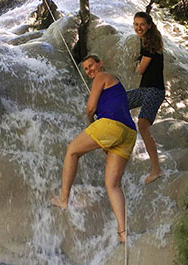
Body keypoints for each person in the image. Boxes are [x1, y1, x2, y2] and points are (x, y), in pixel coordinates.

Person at [51, 54, 137, 243]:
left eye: (91, 66)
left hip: (111, 125)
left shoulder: (102, 76)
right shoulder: (115, 82)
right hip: (129, 133)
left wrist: (91, 124)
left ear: (100, 63)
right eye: (86, 69)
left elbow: (90, 107)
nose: (90, 71)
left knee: (72, 150)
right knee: (112, 185)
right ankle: (123, 232)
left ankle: (63, 199)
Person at [127, 11, 165, 184]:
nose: (138, 27)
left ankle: (156, 169)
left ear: (149, 25)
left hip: (154, 91)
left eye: (141, 24)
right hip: (146, 90)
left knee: (142, 125)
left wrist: (137, 64)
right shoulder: (148, 41)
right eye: (136, 24)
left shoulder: (149, 45)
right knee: (119, 101)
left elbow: (140, 70)